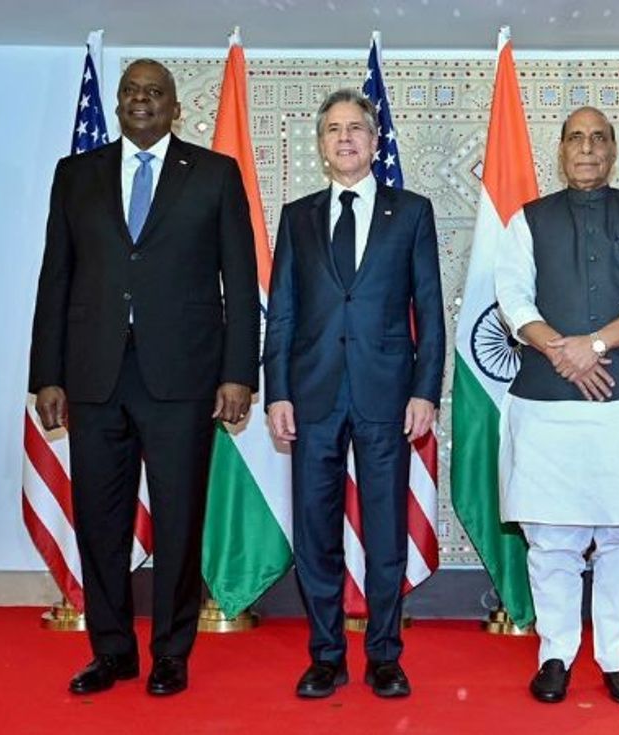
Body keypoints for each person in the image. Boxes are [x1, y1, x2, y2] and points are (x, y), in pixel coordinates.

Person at [29, 59, 259, 696]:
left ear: (175, 107)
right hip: (94, 376)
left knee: (180, 520)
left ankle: (170, 654)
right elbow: (56, 278)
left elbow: (239, 282)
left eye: (154, 93)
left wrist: (239, 372)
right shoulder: (75, 176)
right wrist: (46, 373)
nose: (140, 101)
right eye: (130, 92)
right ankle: (111, 652)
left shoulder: (213, 174)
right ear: (118, 104)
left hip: (183, 377)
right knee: (99, 518)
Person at [495, 106, 619, 705]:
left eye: (598, 138)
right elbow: (512, 298)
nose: (587, 148)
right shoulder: (527, 221)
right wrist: (563, 352)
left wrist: (594, 345)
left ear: (613, 150)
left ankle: (616, 656)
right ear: (561, 149)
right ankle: (555, 652)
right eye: (575, 137)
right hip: (547, 404)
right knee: (552, 537)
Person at [264, 88, 445, 700]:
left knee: (387, 531)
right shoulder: (298, 216)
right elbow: (282, 314)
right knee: (315, 531)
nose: (345, 138)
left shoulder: (412, 212)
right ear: (321, 145)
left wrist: (426, 391)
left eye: (356, 129)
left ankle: (385, 656)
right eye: (333, 130)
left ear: (375, 141)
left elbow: (431, 311)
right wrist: (276, 392)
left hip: (388, 395)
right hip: (311, 396)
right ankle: (325, 656)